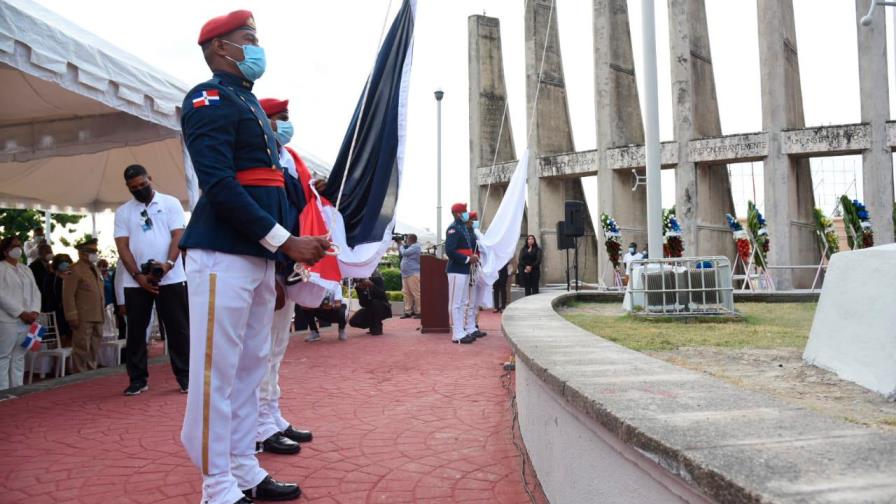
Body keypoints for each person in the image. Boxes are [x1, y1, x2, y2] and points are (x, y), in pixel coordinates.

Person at [179, 10, 329, 504]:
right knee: (216, 374)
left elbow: (267, 190)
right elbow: (218, 185)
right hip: (222, 253)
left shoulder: (243, 102)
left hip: (256, 257)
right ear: (221, 48)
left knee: (248, 371)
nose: (256, 47)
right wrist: (284, 241)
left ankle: (244, 467)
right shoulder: (209, 99)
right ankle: (215, 484)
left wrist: (285, 253)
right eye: (248, 39)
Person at [254, 96, 313, 457]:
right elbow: (264, 215)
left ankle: (271, 414)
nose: (286, 123)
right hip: (271, 262)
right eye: (280, 118)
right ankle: (260, 425)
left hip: (290, 263)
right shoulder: (259, 155)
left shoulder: (290, 159)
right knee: (261, 350)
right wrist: (274, 270)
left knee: (277, 347)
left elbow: (296, 206)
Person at [113, 164, 190, 396]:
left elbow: (179, 235)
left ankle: (185, 377)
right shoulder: (123, 212)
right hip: (135, 281)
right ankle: (137, 379)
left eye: (142, 185)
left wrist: (168, 264)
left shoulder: (171, 203)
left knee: (178, 329)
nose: (139, 189)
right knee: (136, 332)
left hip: (172, 276)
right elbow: (122, 246)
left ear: (150, 178)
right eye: (133, 188)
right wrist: (138, 275)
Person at [0, 236, 41, 390]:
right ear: (5, 251)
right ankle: (3, 392)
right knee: (4, 356)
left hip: (27, 320)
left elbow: (36, 292)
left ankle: (18, 389)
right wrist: (20, 312)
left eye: (19, 245)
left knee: (19, 356)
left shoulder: (26, 268)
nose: (18, 249)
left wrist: (35, 311)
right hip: (7, 320)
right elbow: (1, 295)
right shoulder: (1, 268)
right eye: (14, 246)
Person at [62, 238, 105, 373]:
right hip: (82, 316)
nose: (95, 254)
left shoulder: (95, 269)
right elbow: (68, 295)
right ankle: (80, 374)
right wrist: (71, 315)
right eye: (91, 251)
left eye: (95, 251)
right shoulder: (74, 270)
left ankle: (91, 372)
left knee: (94, 347)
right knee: (81, 347)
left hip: (97, 314)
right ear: (81, 253)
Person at [445, 203, 479, 344]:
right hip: (456, 269)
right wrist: (467, 259)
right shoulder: (453, 228)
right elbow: (450, 250)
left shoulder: (463, 227)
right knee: (455, 303)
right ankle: (457, 334)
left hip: (464, 269)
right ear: (458, 213)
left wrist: (472, 258)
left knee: (463, 301)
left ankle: (462, 331)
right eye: (464, 211)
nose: (466, 213)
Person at [44, 254, 73, 347]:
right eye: (62, 262)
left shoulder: (70, 278)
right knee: (61, 341)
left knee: (70, 342)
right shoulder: (51, 278)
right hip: (57, 314)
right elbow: (50, 297)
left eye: (67, 261)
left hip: (68, 313)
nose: (66, 264)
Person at [398, 233, 421, 318]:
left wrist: (400, 245)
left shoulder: (416, 246)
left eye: (407, 239)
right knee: (406, 293)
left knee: (416, 293)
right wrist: (401, 244)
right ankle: (408, 311)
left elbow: (404, 253)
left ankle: (420, 311)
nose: (406, 240)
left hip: (413, 273)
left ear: (411, 240)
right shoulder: (411, 247)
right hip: (406, 273)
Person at [29, 242, 54, 308]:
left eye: (50, 251)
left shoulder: (52, 266)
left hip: (49, 301)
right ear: (39, 254)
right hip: (39, 301)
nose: (49, 253)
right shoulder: (33, 267)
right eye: (46, 252)